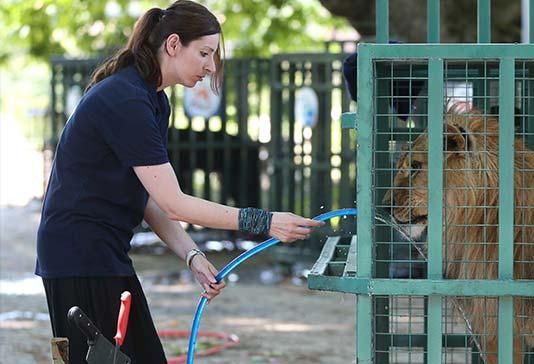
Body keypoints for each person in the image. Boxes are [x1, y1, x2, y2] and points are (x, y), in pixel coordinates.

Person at [35, 1, 324, 363]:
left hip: (103, 254)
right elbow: (175, 202)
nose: (211, 65)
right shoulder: (125, 98)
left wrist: (192, 255)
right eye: (204, 52)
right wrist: (264, 221)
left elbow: (151, 199)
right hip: (79, 256)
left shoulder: (153, 100)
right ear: (173, 45)